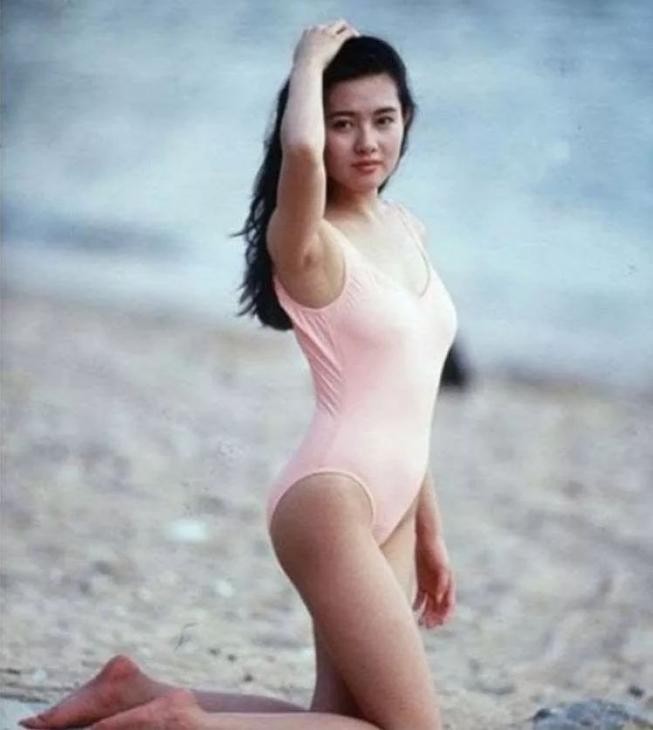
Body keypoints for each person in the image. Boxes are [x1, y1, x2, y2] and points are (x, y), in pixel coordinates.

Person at [19, 19, 456, 730]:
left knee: (340, 717)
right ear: (314, 124)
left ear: (407, 118)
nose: (367, 142)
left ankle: (134, 693)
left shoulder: (406, 229)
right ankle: (182, 725)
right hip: (332, 503)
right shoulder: (306, 242)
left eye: (383, 119)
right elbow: (302, 152)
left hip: (396, 505)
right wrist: (308, 60)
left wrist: (430, 529)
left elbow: (411, 394)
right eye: (343, 123)